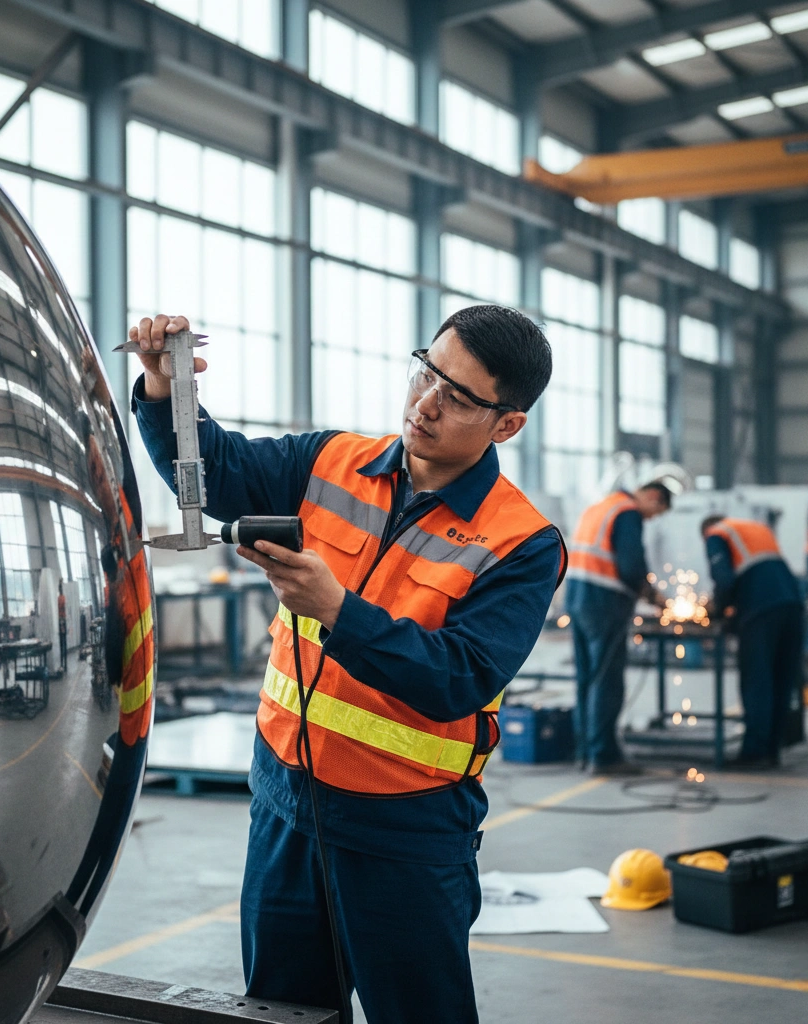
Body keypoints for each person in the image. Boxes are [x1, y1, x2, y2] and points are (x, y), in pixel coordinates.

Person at [130, 305, 566, 1024]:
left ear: (506, 424)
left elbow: (458, 677)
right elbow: (215, 468)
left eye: (458, 398)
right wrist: (162, 389)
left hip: (405, 833)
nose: (426, 402)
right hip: (284, 808)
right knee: (282, 1011)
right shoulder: (329, 462)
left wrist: (339, 611)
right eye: (426, 371)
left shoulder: (522, 542)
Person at [566, 482, 672, 775]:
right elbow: (631, 566)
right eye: (656, 512)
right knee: (606, 680)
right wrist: (654, 597)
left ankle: (584, 751)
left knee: (587, 678)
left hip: (576, 596)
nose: (651, 518)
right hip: (603, 601)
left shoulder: (599, 507)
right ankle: (604, 756)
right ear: (653, 497)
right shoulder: (628, 512)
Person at [701, 515, 804, 767]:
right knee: (781, 681)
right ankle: (771, 751)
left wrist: (716, 610)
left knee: (757, 680)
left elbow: (724, 580)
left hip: (761, 611)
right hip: (793, 605)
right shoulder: (755, 529)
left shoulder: (716, 534)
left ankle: (754, 753)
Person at [58, 581, 68, 672]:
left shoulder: (60, 599)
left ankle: (63, 658)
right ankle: (64, 659)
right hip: (63, 620)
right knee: (63, 641)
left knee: (62, 642)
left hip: (61, 620)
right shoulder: (63, 598)